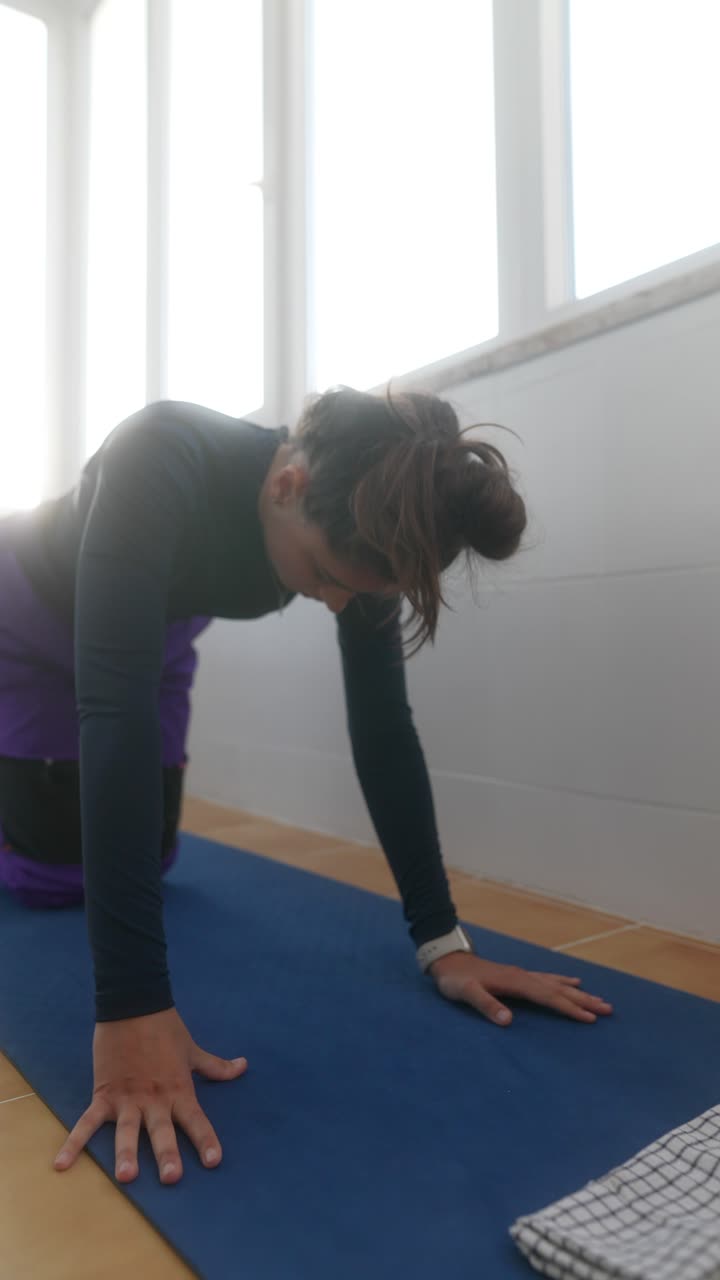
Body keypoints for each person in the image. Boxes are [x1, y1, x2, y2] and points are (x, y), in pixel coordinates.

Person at [0, 385, 613, 1187]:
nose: (335, 603)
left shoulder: (363, 524)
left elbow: (384, 731)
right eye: (324, 577)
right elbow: (111, 711)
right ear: (285, 484)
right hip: (29, 613)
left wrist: (443, 943)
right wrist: (132, 1007)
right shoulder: (161, 452)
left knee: (140, 859)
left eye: (354, 593)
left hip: (157, 638)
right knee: (49, 881)